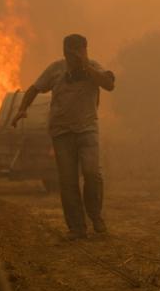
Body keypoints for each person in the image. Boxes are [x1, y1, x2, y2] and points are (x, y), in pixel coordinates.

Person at [11, 34, 116, 239]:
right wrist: (22, 108)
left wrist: (86, 66)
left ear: (85, 50)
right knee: (68, 181)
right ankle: (76, 228)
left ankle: (95, 216)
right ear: (64, 52)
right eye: (70, 52)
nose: (74, 56)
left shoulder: (94, 68)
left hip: (87, 129)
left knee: (92, 173)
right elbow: (34, 88)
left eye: (79, 51)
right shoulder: (56, 69)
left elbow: (109, 84)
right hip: (61, 133)